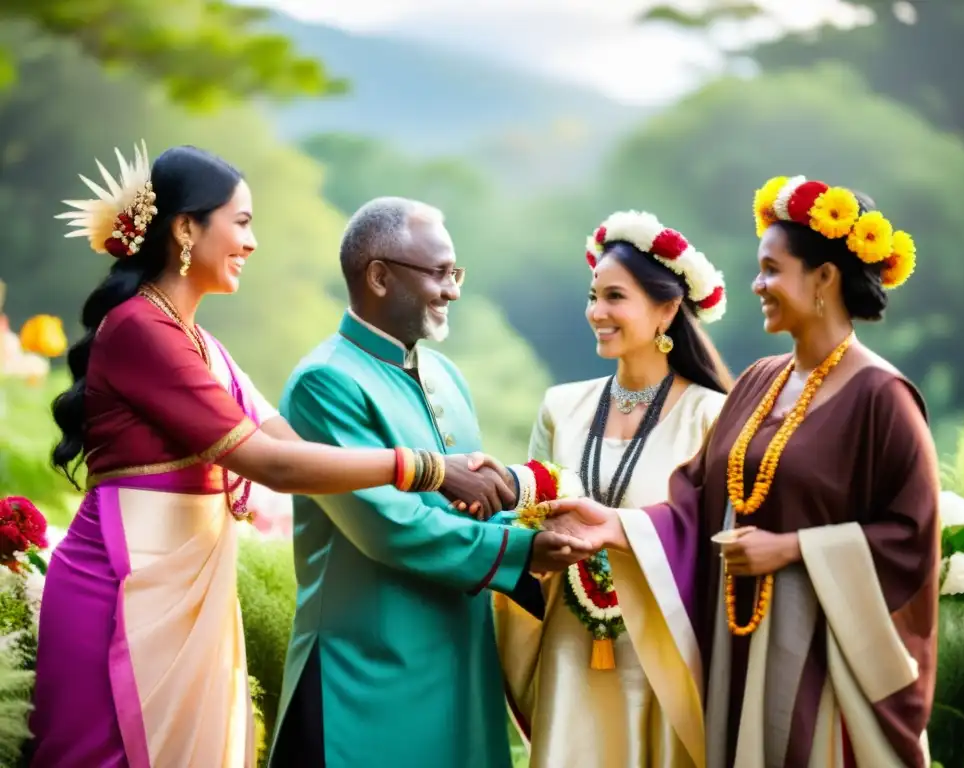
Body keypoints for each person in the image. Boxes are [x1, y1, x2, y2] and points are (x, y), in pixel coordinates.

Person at [32, 146, 564, 767]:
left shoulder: (201, 344)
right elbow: (274, 466)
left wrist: (497, 492)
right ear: (185, 228)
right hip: (123, 583)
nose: (252, 242)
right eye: (242, 221)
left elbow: (299, 450)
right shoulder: (139, 330)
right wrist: (428, 468)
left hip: (181, 588)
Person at [543, 176, 937, 767]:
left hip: (825, 657)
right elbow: (694, 501)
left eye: (772, 270)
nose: (758, 284)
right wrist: (613, 527)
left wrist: (792, 548)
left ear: (824, 277)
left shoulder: (882, 397)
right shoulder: (759, 381)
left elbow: (911, 539)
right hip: (740, 649)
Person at [266, 197, 594, 768]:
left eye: (455, 272)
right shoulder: (326, 382)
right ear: (379, 276)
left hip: (460, 659)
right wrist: (524, 548)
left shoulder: (446, 375)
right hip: (367, 670)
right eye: (440, 273)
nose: (453, 290)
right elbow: (389, 526)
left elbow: (472, 508)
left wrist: (542, 522)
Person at [495, 211, 731, 768]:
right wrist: (503, 490)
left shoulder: (711, 415)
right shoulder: (561, 407)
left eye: (615, 297)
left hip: (663, 655)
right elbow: (534, 509)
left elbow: (717, 541)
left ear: (667, 310)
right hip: (568, 649)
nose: (596, 312)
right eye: (592, 295)